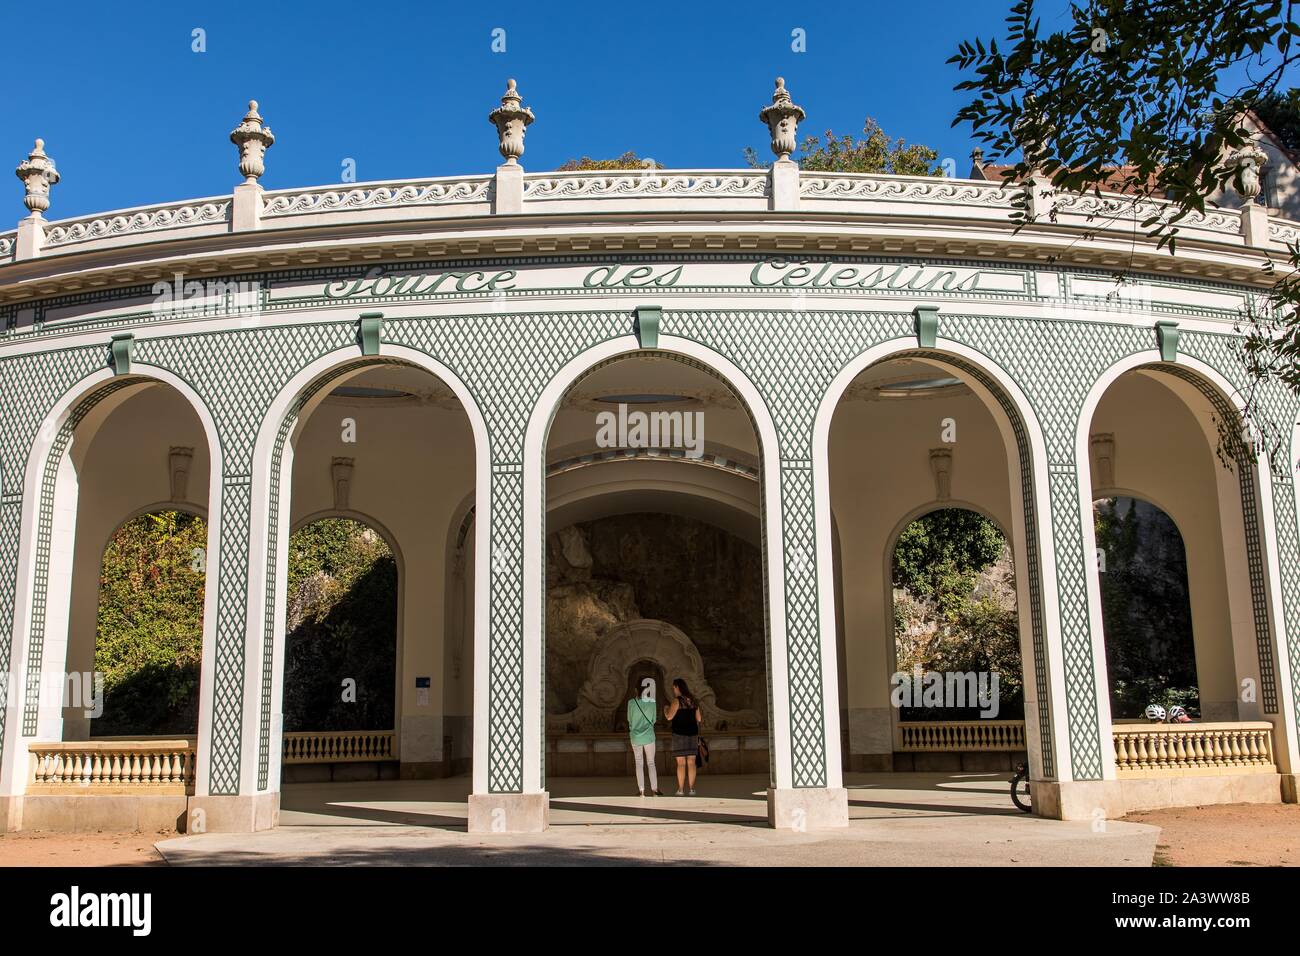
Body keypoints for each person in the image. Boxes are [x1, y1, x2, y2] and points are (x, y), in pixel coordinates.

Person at [665, 678, 703, 796]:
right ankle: (691, 789)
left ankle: (681, 789)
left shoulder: (677, 701)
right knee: (691, 763)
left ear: (677, 687)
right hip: (692, 734)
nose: (673, 690)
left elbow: (669, 717)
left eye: (673, 688)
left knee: (681, 763)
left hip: (679, 735)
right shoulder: (694, 700)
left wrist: (665, 709)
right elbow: (699, 719)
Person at [627, 681, 661, 797]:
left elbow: (629, 720)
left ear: (636, 690)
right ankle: (654, 790)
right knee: (651, 763)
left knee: (639, 763)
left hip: (636, 737)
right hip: (649, 736)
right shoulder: (652, 702)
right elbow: (654, 720)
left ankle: (641, 791)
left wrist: (634, 728)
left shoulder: (631, 703)